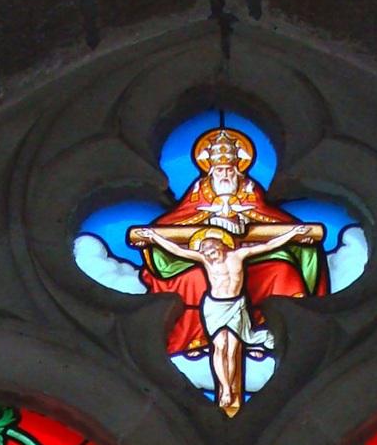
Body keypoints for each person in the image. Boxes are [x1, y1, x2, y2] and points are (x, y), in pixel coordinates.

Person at [127, 125, 329, 366]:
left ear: (239, 169)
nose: (225, 175)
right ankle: (199, 337)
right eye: (219, 169)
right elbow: (179, 222)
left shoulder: (249, 190)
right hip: (206, 259)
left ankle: (268, 335)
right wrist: (157, 235)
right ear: (209, 169)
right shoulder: (198, 191)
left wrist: (285, 231)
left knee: (283, 272)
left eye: (230, 169)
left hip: (251, 259)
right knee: (193, 280)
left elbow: (268, 219)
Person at [130, 222, 324, 417]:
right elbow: (177, 250)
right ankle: (224, 390)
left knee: (231, 349)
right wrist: (154, 237)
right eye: (204, 251)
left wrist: (291, 234)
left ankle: (231, 390)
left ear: (221, 246)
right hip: (214, 306)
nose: (208, 254)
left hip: (236, 306)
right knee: (219, 347)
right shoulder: (205, 260)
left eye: (210, 249)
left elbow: (267, 246)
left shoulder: (237, 256)